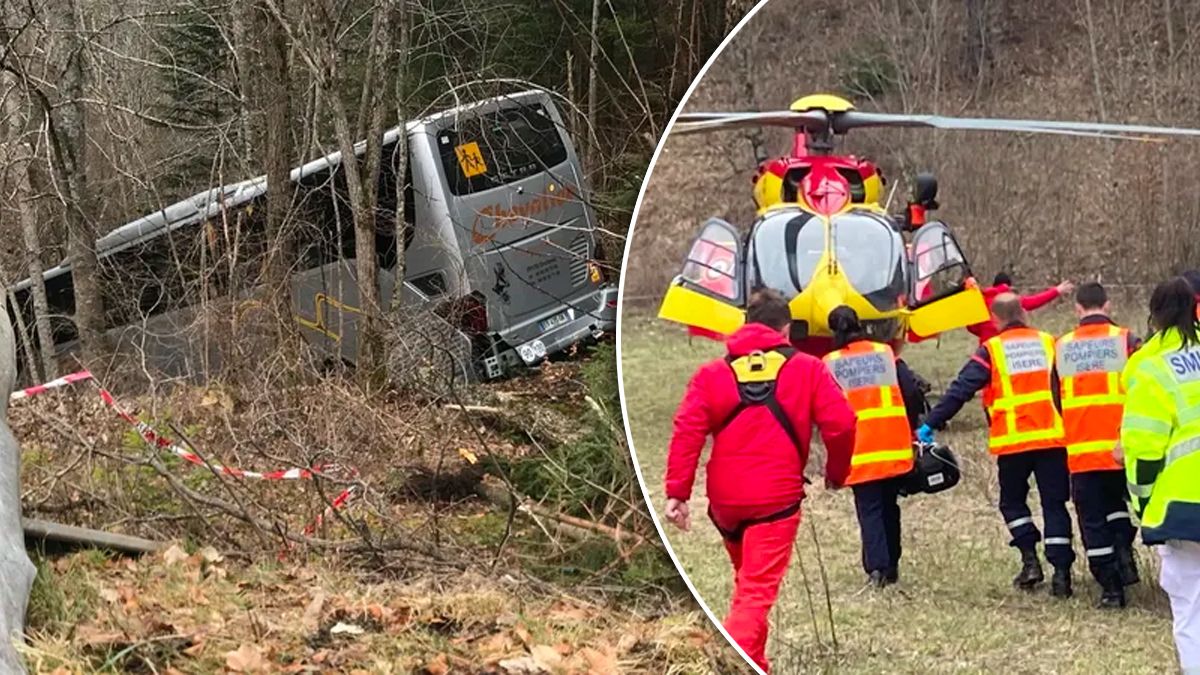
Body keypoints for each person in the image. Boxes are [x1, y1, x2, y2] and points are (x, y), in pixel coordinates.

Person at [663, 287, 857, 673]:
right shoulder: (808, 368)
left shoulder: (712, 374)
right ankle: (729, 662)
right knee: (755, 593)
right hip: (775, 502)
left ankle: (756, 662)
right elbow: (841, 424)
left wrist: (677, 493)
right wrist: (836, 474)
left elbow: (687, 430)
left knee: (747, 584)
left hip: (725, 503)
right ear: (786, 330)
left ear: (746, 325)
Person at [917, 293, 1076, 597]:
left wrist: (930, 423)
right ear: (1024, 314)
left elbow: (960, 390)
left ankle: (1030, 560)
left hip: (1013, 444)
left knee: (1013, 503)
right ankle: (1062, 575)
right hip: (1052, 440)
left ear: (995, 319)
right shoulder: (1049, 343)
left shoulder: (991, 351)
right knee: (1054, 504)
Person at [1121, 277, 1200, 673]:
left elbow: (1143, 451)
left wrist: (1144, 503)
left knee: (1190, 610)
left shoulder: (1149, 368)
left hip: (1185, 508)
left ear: (1153, 315)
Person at [824, 307, 928, 587]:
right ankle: (892, 565)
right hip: (894, 444)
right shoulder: (885, 353)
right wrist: (914, 426)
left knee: (869, 509)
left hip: (861, 447)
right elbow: (911, 390)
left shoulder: (830, 363)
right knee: (889, 506)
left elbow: (825, 409)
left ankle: (878, 569)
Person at [1056, 282, 1141, 608]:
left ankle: (1110, 589)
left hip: (1082, 451)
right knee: (1119, 505)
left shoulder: (1062, 346)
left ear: (1077, 309)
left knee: (1092, 521)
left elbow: (1056, 396)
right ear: (1108, 305)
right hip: (1124, 448)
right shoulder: (1128, 341)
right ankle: (1124, 552)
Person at [967, 272, 1075, 345]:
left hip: (986, 347)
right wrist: (1056, 290)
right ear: (1009, 285)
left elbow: (971, 327)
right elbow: (1035, 301)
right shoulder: (1012, 301)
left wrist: (985, 332)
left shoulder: (981, 301)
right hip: (1009, 345)